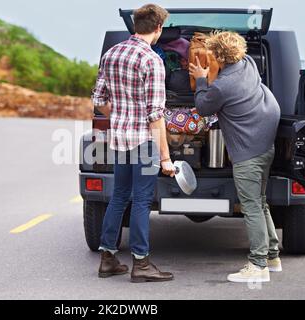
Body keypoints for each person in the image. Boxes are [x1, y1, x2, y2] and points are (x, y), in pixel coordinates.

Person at [91, 4, 175, 283]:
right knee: (141, 200)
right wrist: (165, 158)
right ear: (158, 28)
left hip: (119, 139)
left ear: (134, 25)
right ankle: (141, 263)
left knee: (118, 197)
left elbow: (99, 100)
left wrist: (120, 117)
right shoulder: (151, 60)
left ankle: (108, 260)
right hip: (144, 142)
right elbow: (155, 116)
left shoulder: (111, 53)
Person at [189, 31, 282, 283]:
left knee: (251, 206)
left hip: (248, 154)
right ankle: (272, 256)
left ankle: (258, 265)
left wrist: (200, 80)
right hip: (265, 146)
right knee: (260, 203)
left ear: (218, 56)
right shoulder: (248, 64)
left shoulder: (222, 86)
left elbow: (202, 107)